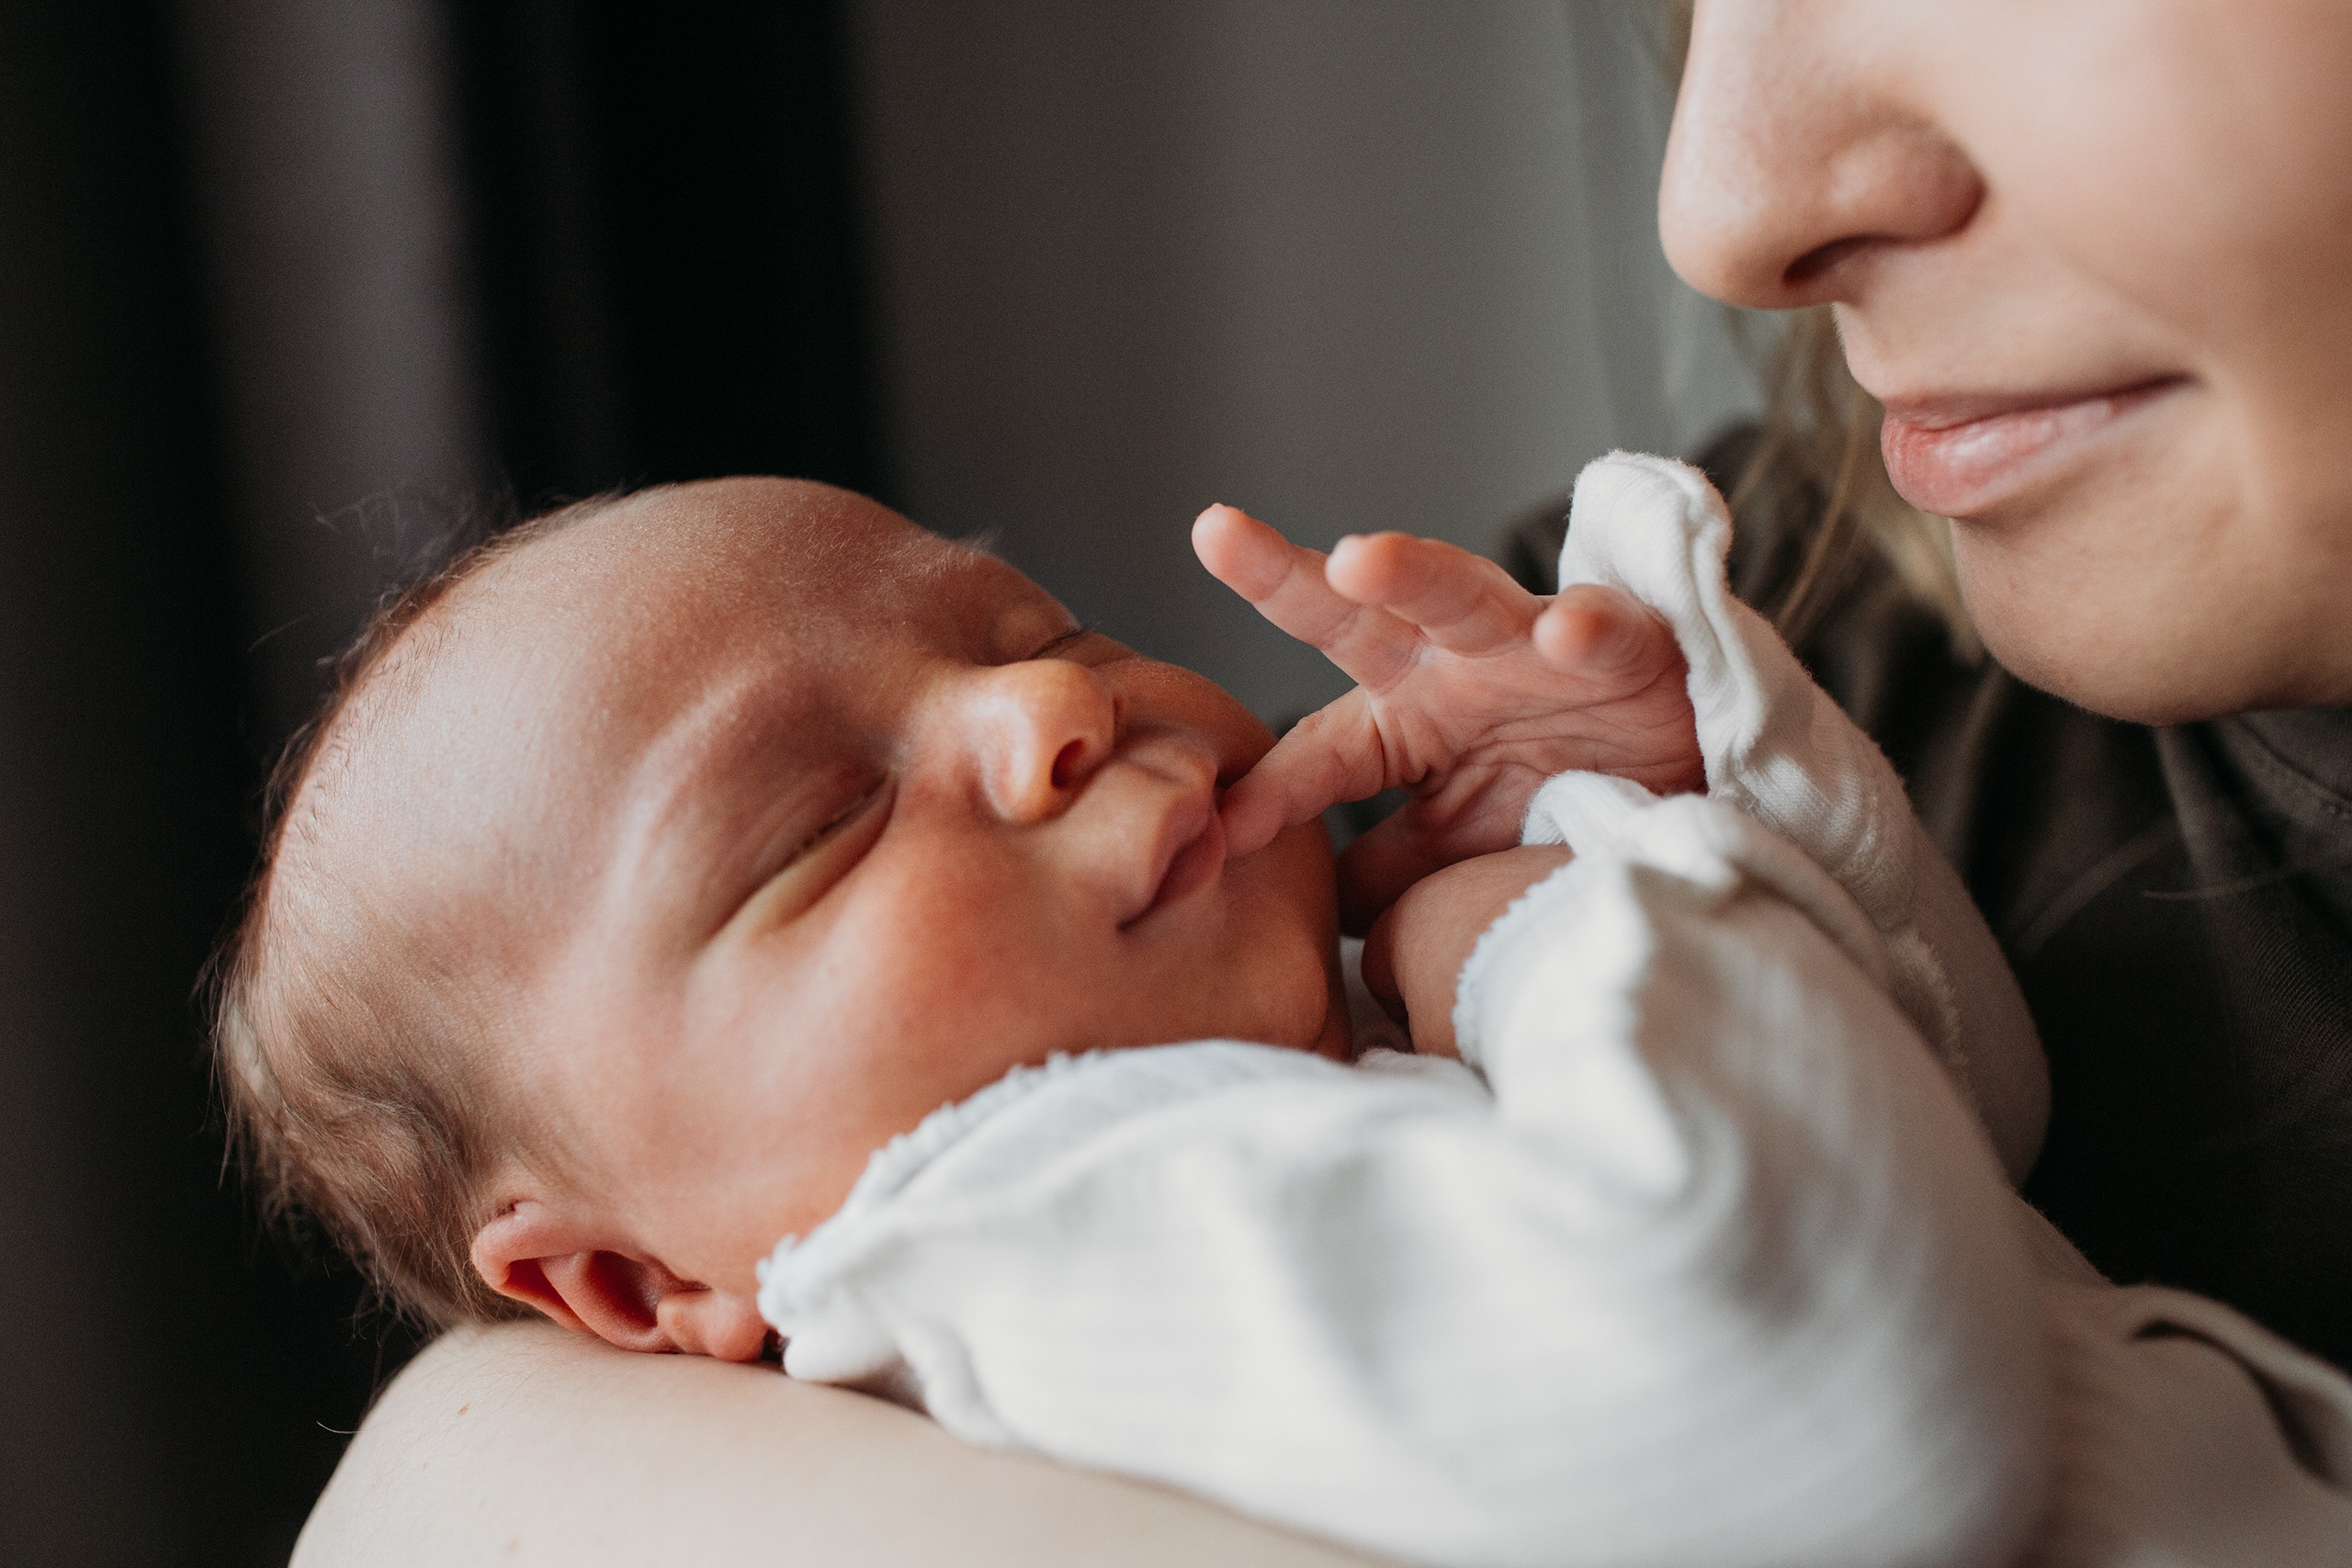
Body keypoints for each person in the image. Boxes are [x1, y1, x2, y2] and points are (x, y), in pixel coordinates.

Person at [289, 2, 2352, 1561]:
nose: (1040, 721)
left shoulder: (1305, 1038)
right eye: (816, 830)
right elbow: (1844, 1402)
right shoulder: (1035, 1222)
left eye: (1031, 632)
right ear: (637, 1287)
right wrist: (1561, 916)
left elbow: (1964, 1133)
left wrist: (1640, 824)